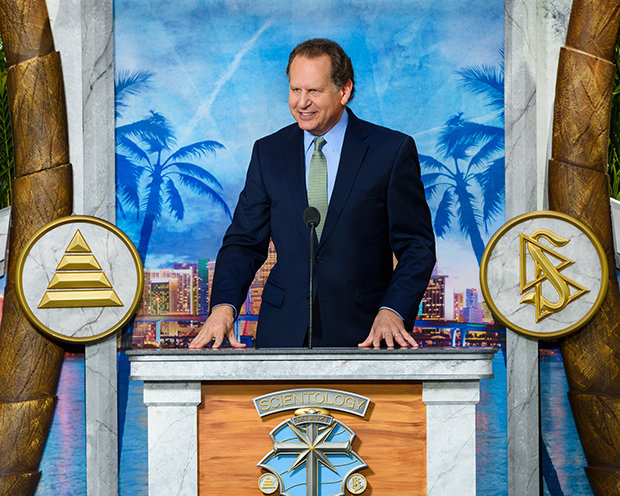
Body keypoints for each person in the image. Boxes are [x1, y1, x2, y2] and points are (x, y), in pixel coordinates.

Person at [189, 38, 435, 350]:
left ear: (344, 91)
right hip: (281, 334)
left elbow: (416, 245)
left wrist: (393, 310)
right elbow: (243, 243)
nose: (302, 102)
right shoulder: (268, 153)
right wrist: (223, 307)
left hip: (366, 334)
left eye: (314, 91)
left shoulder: (390, 151)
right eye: (295, 90)